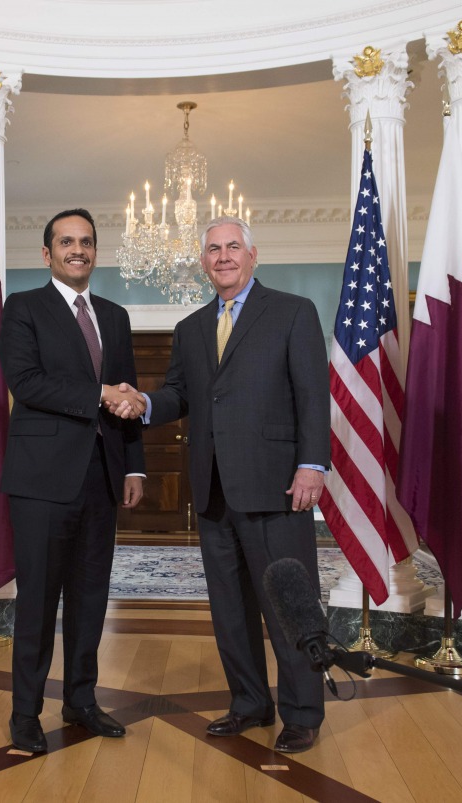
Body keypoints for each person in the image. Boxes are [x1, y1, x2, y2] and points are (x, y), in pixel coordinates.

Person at [110, 215, 329, 753]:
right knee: (230, 609)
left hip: (278, 487)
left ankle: (302, 712)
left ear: (253, 256)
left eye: (233, 246)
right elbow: (179, 394)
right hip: (212, 491)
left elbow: (312, 395)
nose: (224, 256)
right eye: (213, 249)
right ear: (203, 261)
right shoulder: (189, 329)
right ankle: (250, 703)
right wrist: (142, 403)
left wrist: (312, 465)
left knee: (287, 606)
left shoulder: (293, 313)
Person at [0, 208, 146, 753]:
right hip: (41, 482)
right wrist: (99, 394)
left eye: (85, 241)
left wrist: (134, 464)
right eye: (66, 241)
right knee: (38, 601)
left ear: (95, 252)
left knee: (91, 598)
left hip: (102, 479)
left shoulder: (115, 314)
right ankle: (25, 714)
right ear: (47, 254)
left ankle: (82, 701)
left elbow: (128, 393)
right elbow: (27, 381)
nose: (77, 249)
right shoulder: (24, 308)